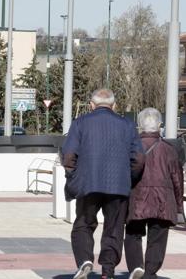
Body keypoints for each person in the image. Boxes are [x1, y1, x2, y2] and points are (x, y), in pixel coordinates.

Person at [62, 89, 145, 279]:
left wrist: (73, 175)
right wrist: (128, 177)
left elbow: (68, 155)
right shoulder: (127, 125)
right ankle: (107, 272)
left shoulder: (80, 123)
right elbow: (139, 158)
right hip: (118, 186)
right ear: (114, 106)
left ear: (91, 105)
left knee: (83, 223)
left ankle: (84, 260)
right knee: (114, 229)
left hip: (87, 184)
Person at [124, 108, 183, 279]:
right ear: (159, 125)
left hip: (137, 199)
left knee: (133, 233)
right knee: (158, 237)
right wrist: (179, 207)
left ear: (139, 126)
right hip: (163, 202)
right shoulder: (169, 149)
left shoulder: (131, 147)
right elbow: (177, 180)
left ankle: (136, 267)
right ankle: (150, 273)